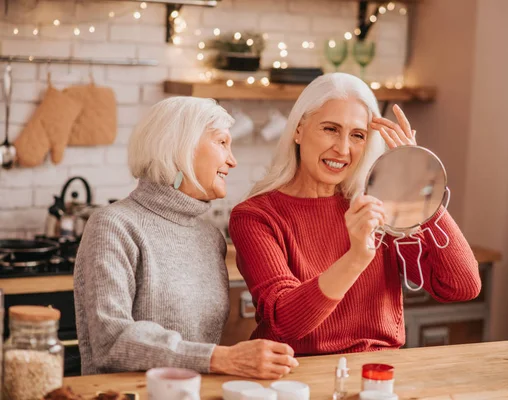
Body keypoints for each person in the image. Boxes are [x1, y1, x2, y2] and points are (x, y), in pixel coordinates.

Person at [228, 73, 481, 356]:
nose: (343, 148)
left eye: (357, 135)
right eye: (330, 129)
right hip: (298, 375)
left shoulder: (376, 207)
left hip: (379, 374)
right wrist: (356, 257)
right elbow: (285, 321)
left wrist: (420, 182)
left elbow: (461, 286)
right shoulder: (256, 216)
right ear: (298, 130)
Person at [74, 97, 298, 379]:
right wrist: (222, 357)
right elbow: (112, 339)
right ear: (182, 146)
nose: (233, 160)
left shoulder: (209, 237)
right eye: (221, 143)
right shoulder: (114, 225)